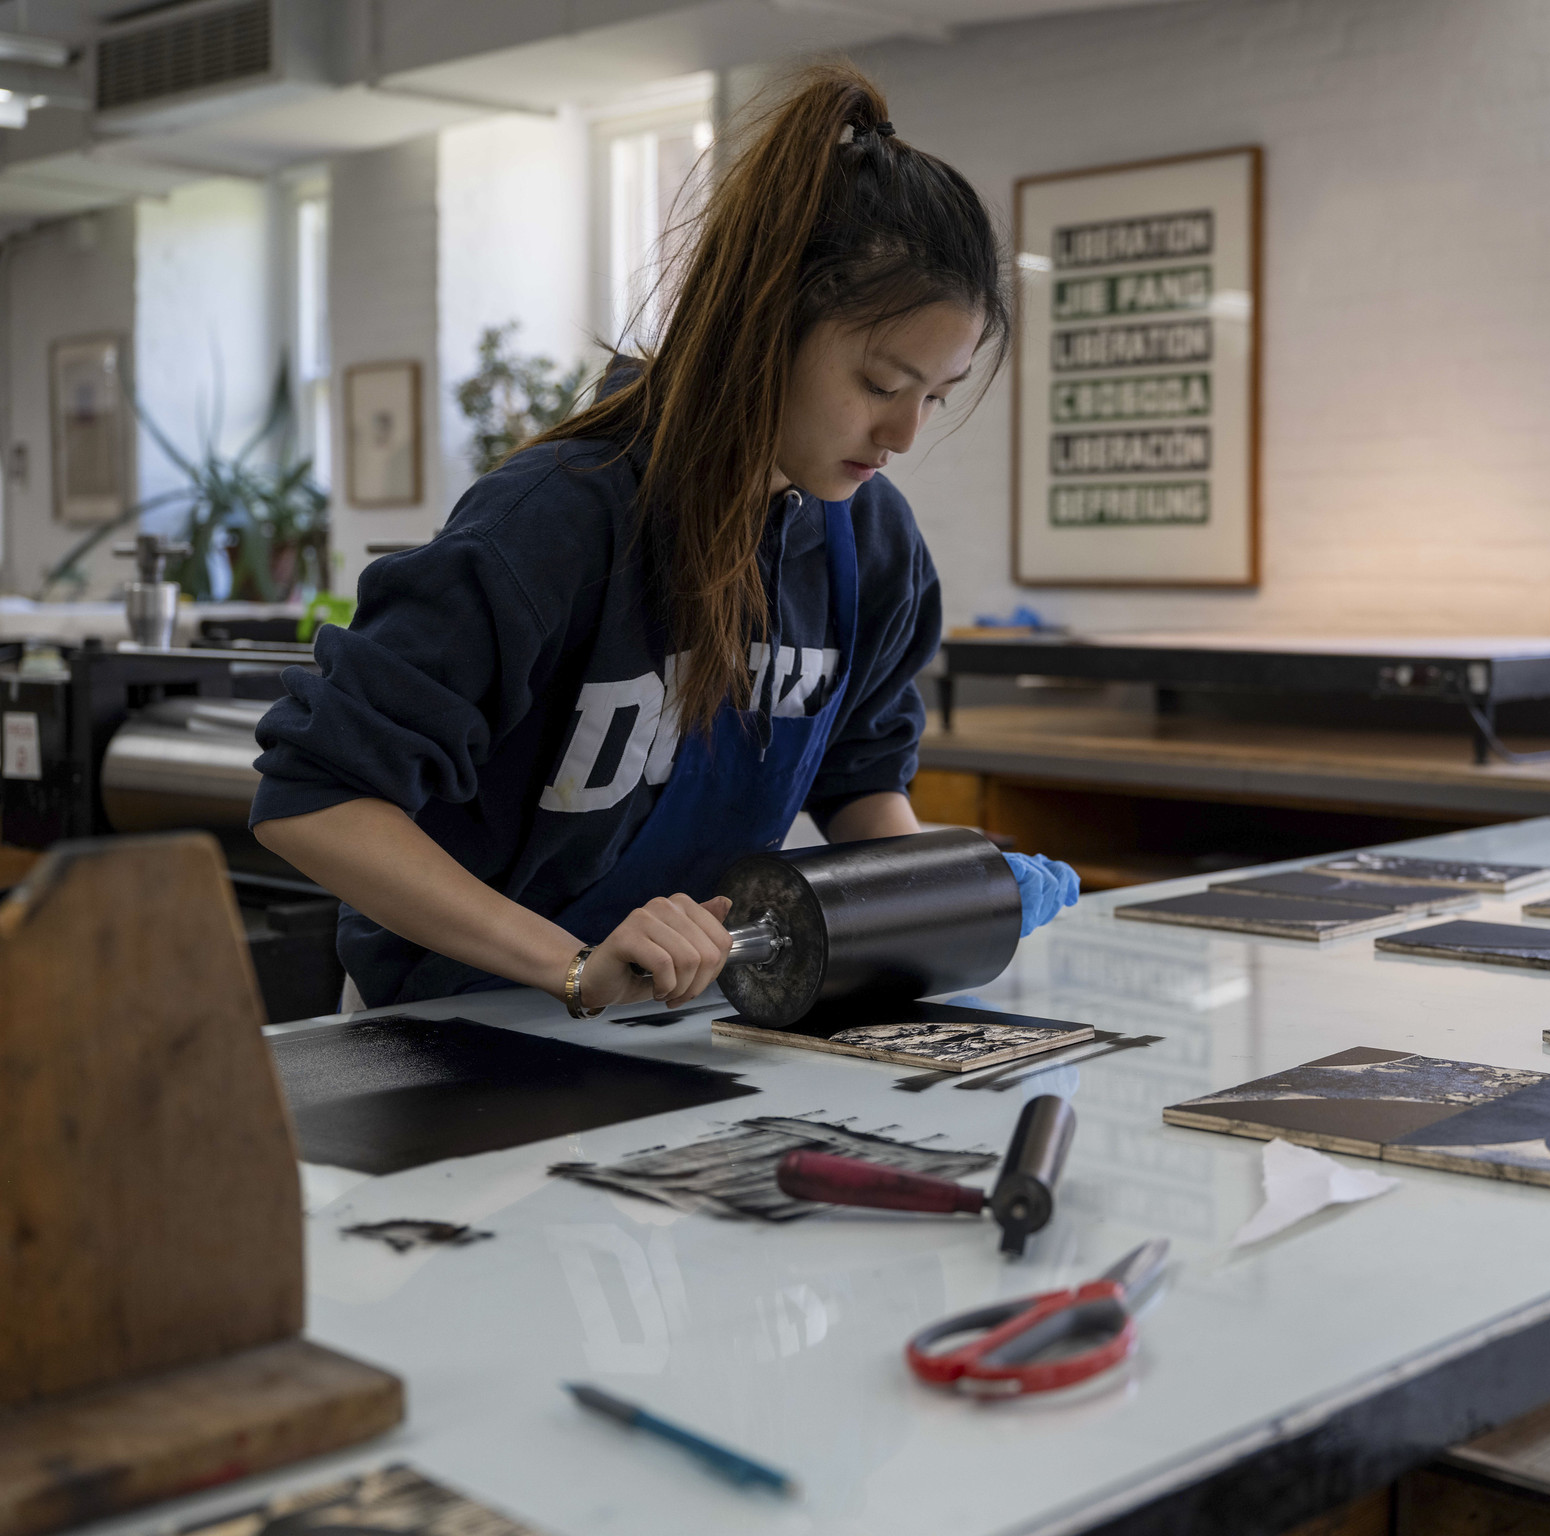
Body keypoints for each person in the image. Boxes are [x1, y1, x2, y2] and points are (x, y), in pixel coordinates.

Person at [251, 64, 1079, 1016]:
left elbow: (861, 781)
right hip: (461, 1020)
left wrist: (939, 904)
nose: (903, 437)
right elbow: (312, 799)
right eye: (882, 385)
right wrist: (569, 962)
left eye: (935, 397)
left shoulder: (871, 543)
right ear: (766, 322)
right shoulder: (556, 520)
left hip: (676, 1020)